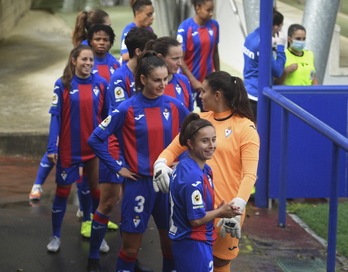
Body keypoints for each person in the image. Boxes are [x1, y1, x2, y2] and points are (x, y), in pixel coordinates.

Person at [87, 51, 189, 272]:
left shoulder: (174, 106)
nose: (163, 84)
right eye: (157, 80)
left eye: (165, 79)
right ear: (143, 79)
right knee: (131, 250)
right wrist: (117, 168)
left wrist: (182, 162)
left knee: (170, 245)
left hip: (167, 186)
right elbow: (95, 139)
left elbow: (194, 136)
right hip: (138, 184)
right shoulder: (127, 108)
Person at [153, 71, 260, 272]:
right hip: (196, 210)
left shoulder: (246, 128)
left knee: (219, 262)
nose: (200, 95)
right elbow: (172, 149)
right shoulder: (200, 120)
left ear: (217, 95)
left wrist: (237, 207)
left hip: (227, 211)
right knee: (192, 260)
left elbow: (249, 174)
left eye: (204, 91)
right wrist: (160, 164)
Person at [86, 27, 157, 272]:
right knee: (108, 202)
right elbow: (120, 119)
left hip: (136, 153)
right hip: (117, 149)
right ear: (139, 51)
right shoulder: (120, 77)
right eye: (152, 48)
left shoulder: (149, 77)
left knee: (130, 208)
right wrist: (118, 162)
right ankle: (93, 258)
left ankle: (130, 259)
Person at [45, 44, 109, 253]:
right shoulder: (62, 84)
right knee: (62, 193)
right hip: (68, 150)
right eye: (84, 59)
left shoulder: (101, 84)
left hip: (93, 150)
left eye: (91, 60)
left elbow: (107, 117)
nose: (88, 63)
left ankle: (97, 233)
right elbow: (56, 117)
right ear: (74, 60)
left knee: (96, 192)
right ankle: (55, 236)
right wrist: (51, 146)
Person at [169, 112, 242, 272]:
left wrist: (220, 211)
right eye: (204, 141)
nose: (211, 145)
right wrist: (219, 212)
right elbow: (195, 220)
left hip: (195, 241)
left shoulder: (200, 168)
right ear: (190, 143)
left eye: (213, 139)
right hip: (193, 243)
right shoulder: (193, 176)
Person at [176, 0, 220, 112]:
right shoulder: (185, 27)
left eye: (212, 10)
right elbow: (180, 58)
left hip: (206, 82)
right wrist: (193, 80)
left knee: (209, 115)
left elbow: (215, 52)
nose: (211, 13)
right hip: (188, 81)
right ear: (197, 8)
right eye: (208, 10)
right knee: (186, 116)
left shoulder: (214, 26)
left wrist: (218, 74)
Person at [243, 8, 286, 119]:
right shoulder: (264, 45)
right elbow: (278, 71)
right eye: (280, 27)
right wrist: (280, 47)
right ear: (276, 27)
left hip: (246, 90)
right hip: (257, 96)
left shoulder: (251, 37)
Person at [109, 27, 157, 109]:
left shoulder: (151, 72)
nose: (153, 53)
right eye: (150, 49)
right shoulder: (119, 77)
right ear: (138, 52)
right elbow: (123, 111)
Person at [146, 36, 194, 112]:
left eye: (180, 58)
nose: (180, 63)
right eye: (175, 58)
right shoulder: (147, 84)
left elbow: (189, 113)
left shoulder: (183, 80)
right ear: (160, 57)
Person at [120, 0, 154, 64]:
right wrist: (147, 52)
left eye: (152, 14)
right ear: (137, 13)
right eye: (149, 14)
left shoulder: (150, 30)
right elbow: (125, 56)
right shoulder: (130, 30)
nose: (152, 17)